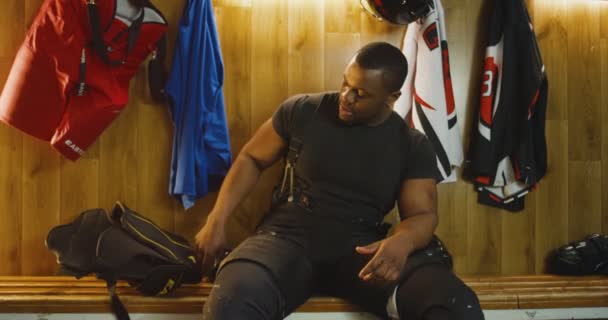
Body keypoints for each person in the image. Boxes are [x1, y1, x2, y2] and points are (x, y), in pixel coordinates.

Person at [194, 42, 485, 320]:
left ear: (391, 98)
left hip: (359, 250)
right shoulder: (303, 110)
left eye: (360, 93)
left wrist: (403, 241)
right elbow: (251, 159)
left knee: (455, 306)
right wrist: (217, 220)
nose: (346, 97)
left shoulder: (411, 144)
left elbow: (422, 214)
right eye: (345, 83)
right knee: (232, 303)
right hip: (284, 238)